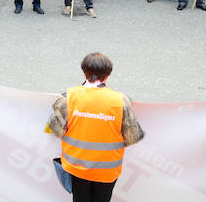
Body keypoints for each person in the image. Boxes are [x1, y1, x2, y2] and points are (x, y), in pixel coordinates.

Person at [47, 52, 144, 202]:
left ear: (84, 72)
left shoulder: (68, 97)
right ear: (108, 74)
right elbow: (133, 136)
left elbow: (56, 129)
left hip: (77, 167)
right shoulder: (121, 101)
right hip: (108, 170)